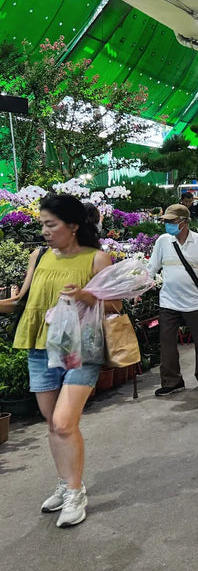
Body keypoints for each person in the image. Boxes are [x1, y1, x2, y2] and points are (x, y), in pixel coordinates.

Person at [0, 194, 114, 528]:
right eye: (43, 224)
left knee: (64, 422)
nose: (45, 231)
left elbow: (116, 307)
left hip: (80, 349)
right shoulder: (39, 255)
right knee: (53, 424)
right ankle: (65, 483)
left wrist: (85, 296)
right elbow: (22, 299)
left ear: (74, 225)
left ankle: (76, 492)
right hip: (39, 345)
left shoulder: (97, 259)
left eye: (51, 224)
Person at [146, 204, 198, 396]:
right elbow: (151, 268)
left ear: (184, 222)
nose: (168, 225)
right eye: (166, 222)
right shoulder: (163, 242)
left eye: (171, 222)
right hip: (169, 301)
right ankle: (172, 381)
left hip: (196, 301)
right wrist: (139, 288)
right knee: (166, 343)